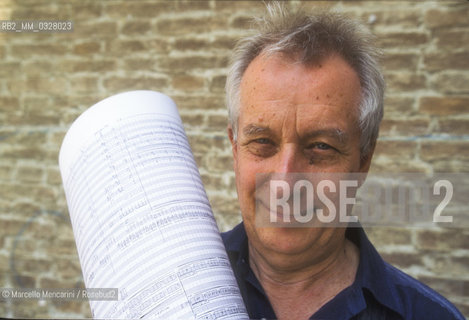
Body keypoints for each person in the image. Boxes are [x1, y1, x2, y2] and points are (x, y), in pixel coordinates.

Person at [221, 3, 465, 320]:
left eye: (321, 147)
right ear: (235, 149)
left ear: (363, 160)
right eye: (263, 143)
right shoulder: (161, 286)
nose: (284, 183)